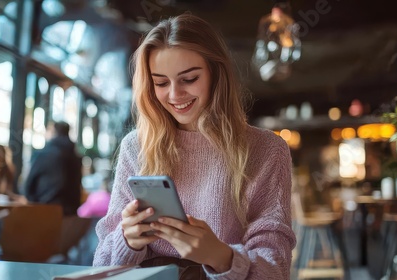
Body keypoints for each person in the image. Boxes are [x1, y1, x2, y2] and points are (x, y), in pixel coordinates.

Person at [93, 13, 296, 279]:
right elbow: (101, 264)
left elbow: (275, 268)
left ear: (215, 74)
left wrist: (220, 256)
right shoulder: (136, 146)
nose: (175, 95)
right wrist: (127, 239)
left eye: (189, 79)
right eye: (161, 83)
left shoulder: (267, 150)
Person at [24, 121, 82, 216]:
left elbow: (29, 184)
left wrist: (33, 201)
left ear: (53, 132)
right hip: (70, 212)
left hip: (45, 210)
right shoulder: (75, 156)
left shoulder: (44, 154)